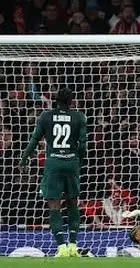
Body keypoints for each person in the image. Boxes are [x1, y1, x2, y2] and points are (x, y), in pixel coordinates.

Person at [18, 87, 87, 257]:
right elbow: (83, 144)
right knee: (72, 203)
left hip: (53, 164)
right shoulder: (79, 117)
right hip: (71, 162)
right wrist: (80, 161)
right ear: (71, 102)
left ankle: (61, 247)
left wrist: (24, 158)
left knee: (54, 206)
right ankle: (73, 245)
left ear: (56, 101)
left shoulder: (45, 116)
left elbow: (35, 139)